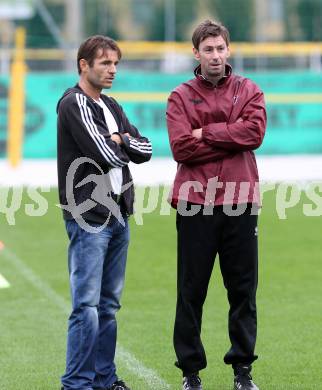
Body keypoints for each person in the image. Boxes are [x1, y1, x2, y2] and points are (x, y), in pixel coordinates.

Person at [166, 20, 266, 390]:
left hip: (240, 200)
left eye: (220, 48)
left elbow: (253, 134)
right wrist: (230, 133)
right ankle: (190, 373)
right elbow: (180, 147)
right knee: (191, 290)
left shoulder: (249, 89)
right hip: (195, 202)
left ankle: (243, 371)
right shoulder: (179, 96)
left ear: (229, 50)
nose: (215, 55)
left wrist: (206, 132)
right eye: (208, 49)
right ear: (196, 53)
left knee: (243, 290)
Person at [57, 35, 152, 390]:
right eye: (105, 64)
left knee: (108, 306)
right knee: (87, 307)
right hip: (89, 217)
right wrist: (119, 143)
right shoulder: (73, 103)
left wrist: (121, 139)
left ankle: (103, 379)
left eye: (115, 64)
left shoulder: (111, 104)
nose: (112, 70)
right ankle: (77, 383)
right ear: (84, 65)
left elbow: (146, 147)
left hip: (118, 215)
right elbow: (106, 154)